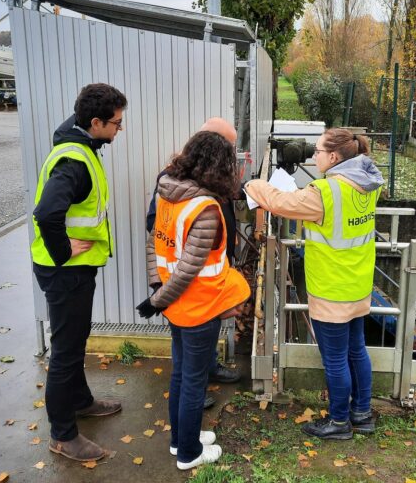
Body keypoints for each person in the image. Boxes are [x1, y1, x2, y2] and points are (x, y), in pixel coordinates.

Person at [245, 128, 383, 440]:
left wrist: (254, 184)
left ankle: (338, 422)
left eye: (318, 151)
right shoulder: (368, 184)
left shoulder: (325, 192)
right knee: (356, 350)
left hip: (331, 289)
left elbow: (281, 202)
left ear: (334, 157)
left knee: (335, 359)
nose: (313, 154)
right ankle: (361, 413)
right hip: (358, 284)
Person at [137, 131, 251, 469]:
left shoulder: (168, 194)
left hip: (176, 305)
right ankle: (189, 453)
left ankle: (180, 440)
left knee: (181, 374)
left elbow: (153, 244)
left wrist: (157, 290)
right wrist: (157, 300)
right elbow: (188, 269)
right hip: (199, 306)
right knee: (193, 382)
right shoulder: (205, 208)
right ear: (220, 166)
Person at [31, 83, 127, 462]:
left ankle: (82, 401)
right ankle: (63, 434)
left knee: (75, 339)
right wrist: (63, 249)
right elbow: (46, 213)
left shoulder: (81, 143)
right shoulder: (73, 161)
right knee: (66, 352)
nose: (120, 130)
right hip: (65, 271)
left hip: (74, 271)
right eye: (116, 124)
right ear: (95, 122)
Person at [145, 117, 242, 400]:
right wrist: (158, 291)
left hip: (205, 273)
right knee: (188, 360)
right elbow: (156, 227)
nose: (232, 154)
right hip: (186, 281)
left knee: (196, 349)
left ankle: (206, 371)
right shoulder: (174, 179)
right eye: (229, 147)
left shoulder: (207, 175)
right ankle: (195, 395)